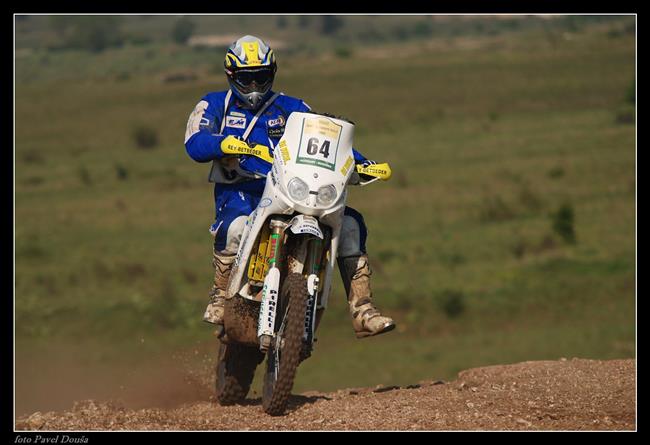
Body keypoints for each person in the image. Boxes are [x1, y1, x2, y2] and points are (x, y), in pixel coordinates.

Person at [184, 35, 395, 339]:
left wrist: (361, 162)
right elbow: (194, 141)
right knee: (235, 227)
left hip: (292, 189)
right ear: (232, 75)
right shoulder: (214, 103)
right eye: (247, 78)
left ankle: (362, 310)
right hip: (243, 192)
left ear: (272, 74)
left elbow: (327, 143)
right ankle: (219, 296)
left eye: (261, 77)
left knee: (350, 225)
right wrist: (222, 143)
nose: (255, 86)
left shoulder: (293, 108)